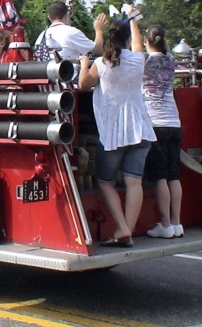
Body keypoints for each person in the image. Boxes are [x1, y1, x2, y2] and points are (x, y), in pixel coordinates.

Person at [78, 14, 156, 248]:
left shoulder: (102, 63)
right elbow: (138, 43)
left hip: (112, 132)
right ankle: (127, 230)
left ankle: (122, 228)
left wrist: (84, 63)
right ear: (127, 38)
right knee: (135, 182)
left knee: (105, 181)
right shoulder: (138, 59)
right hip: (140, 128)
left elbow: (83, 85)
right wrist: (133, 17)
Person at [142, 24, 183, 239]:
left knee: (160, 177)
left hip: (155, 122)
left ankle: (165, 223)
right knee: (174, 176)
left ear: (146, 41)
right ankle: (177, 222)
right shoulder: (170, 60)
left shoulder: (145, 61)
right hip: (173, 121)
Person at [34, 1, 106, 62]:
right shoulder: (71, 32)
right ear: (66, 15)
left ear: (49, 17)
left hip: (45, 76)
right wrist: (99, 30)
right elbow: (97, 49)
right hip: (67, 76)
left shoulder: (41, 36)